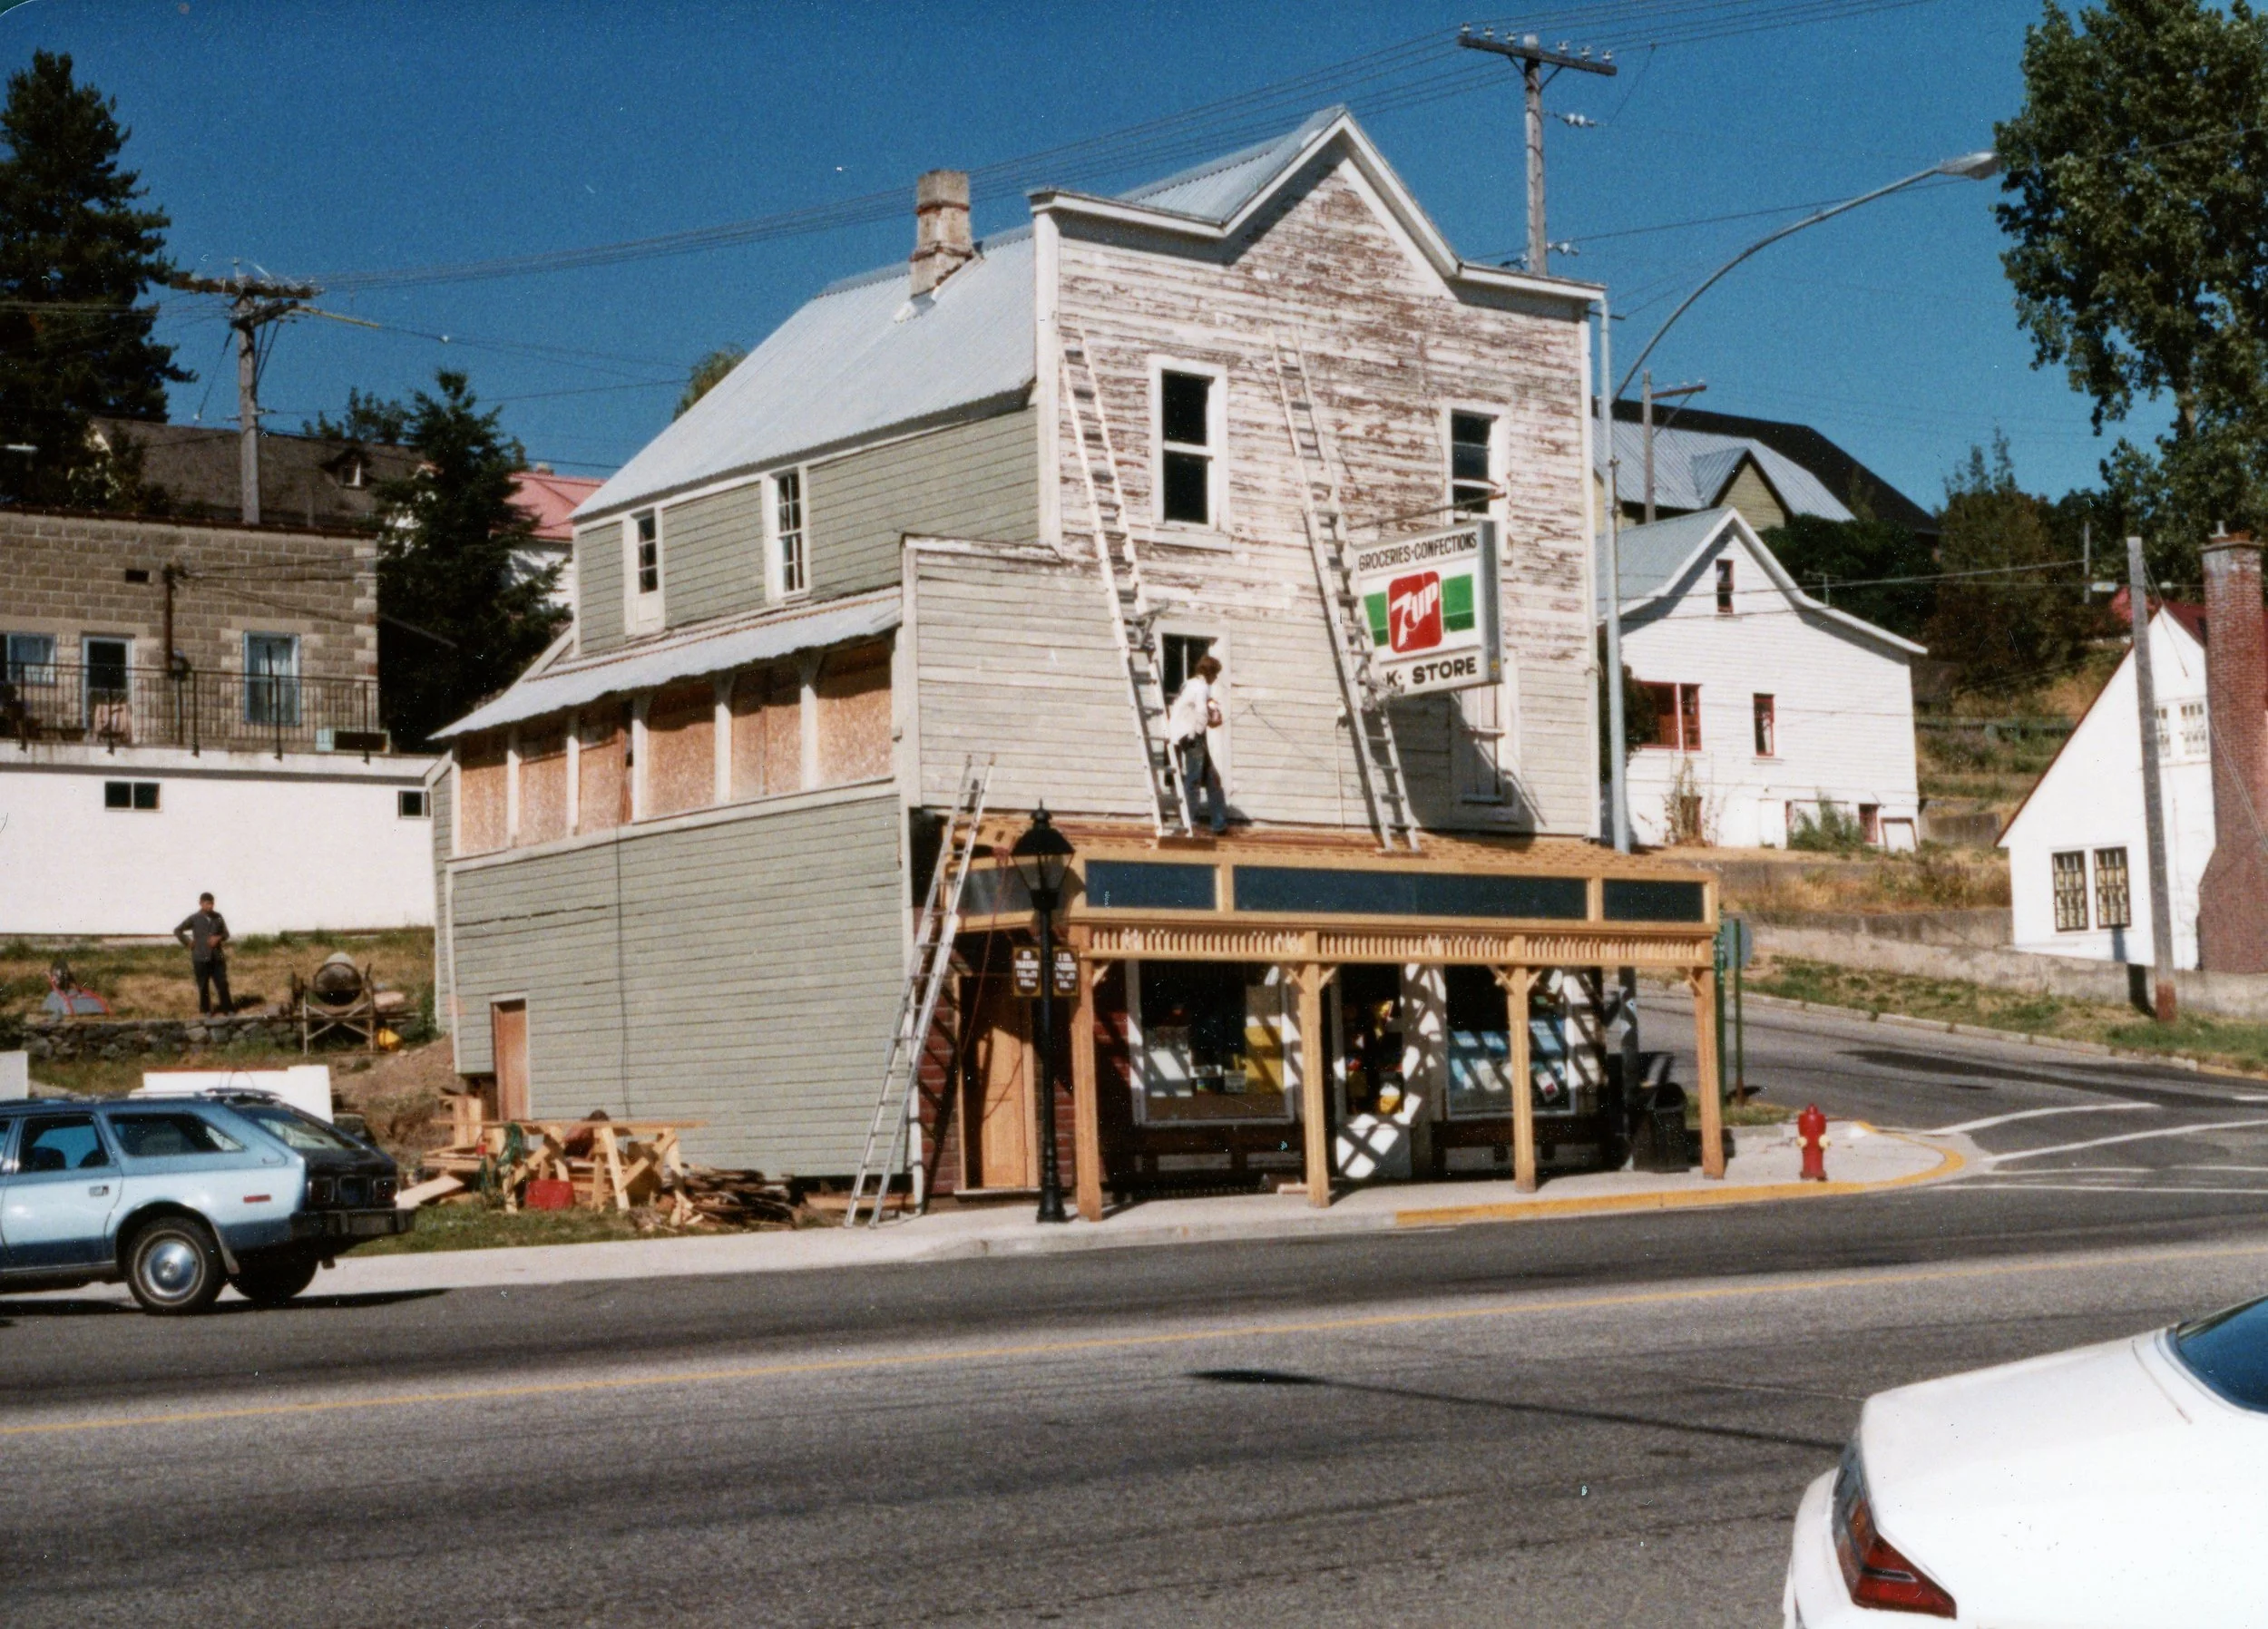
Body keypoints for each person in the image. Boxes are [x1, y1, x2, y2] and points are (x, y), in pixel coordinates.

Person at [1167, 652, 1227, 835]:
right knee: (1194, 778)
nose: (1216, 678)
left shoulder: (1190, 684)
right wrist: (1200, 733)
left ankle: (1219, 824)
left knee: (1212, 779)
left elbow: (1196, 711)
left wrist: (1209, 720)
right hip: (1191, 735)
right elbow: (1201, 713)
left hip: (1185, 733)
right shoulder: (1201, 687)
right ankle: (1189, 822)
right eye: (1215, 674)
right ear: (1209, 673)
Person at [174, 892, 233, 1015]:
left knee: (222, 983)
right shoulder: (194, 918)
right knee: (203, 985)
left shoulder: (218, 917)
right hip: (200, 957)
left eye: (212, 904)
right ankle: (206, 1010)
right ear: (201, 903)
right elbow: (178, 930)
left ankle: (227, 1009)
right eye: (207, 904)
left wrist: (218, 938)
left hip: (217, 957)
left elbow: (226, 934)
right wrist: (188, 941)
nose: (210, 906)